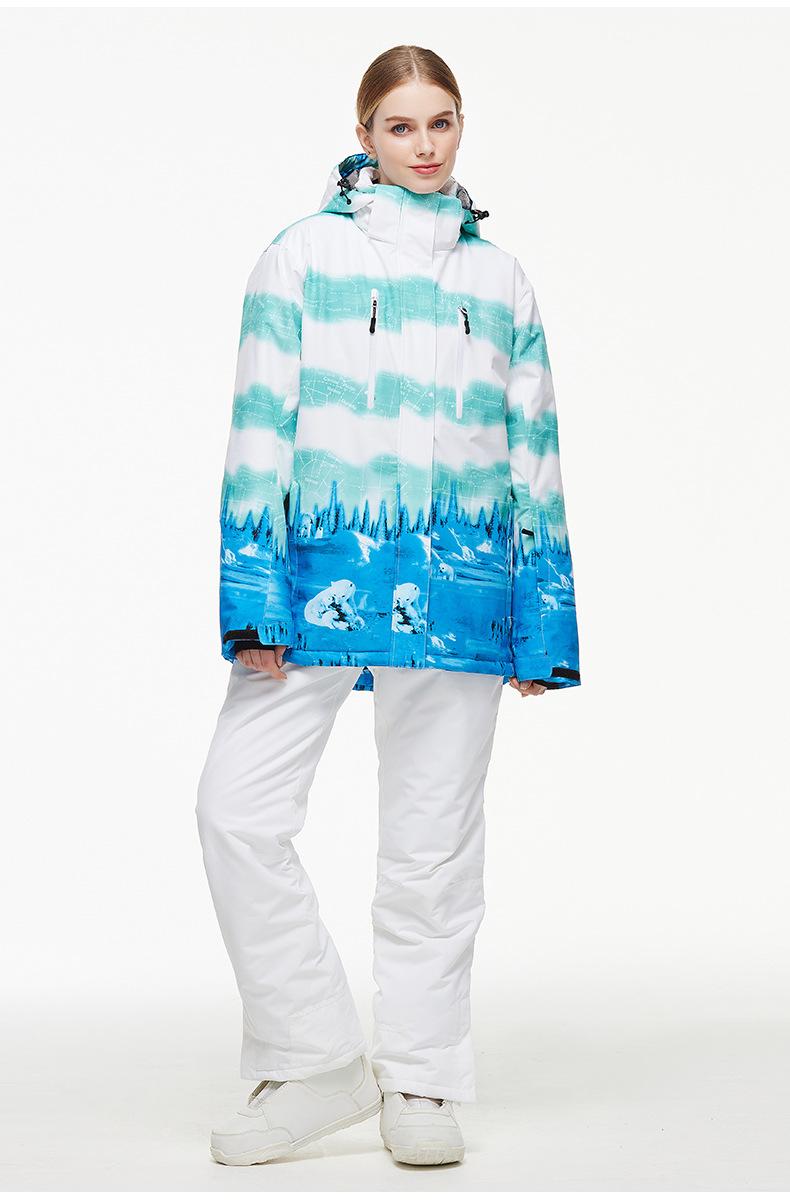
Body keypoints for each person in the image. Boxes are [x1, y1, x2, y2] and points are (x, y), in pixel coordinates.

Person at [196, 43, 581, 1169]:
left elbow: (534, 451)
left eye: (441, 122)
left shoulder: (501, 282)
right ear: (363, 133)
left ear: (460, 129)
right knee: (235, 812)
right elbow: (259, 429)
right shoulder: (299, 258)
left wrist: (542, 618)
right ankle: (316, 1056)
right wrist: (253, 595)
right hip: (319, 581)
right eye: (401, 125)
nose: (424, 144)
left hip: (465, 593)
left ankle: (420, 1077)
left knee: (433, 845)